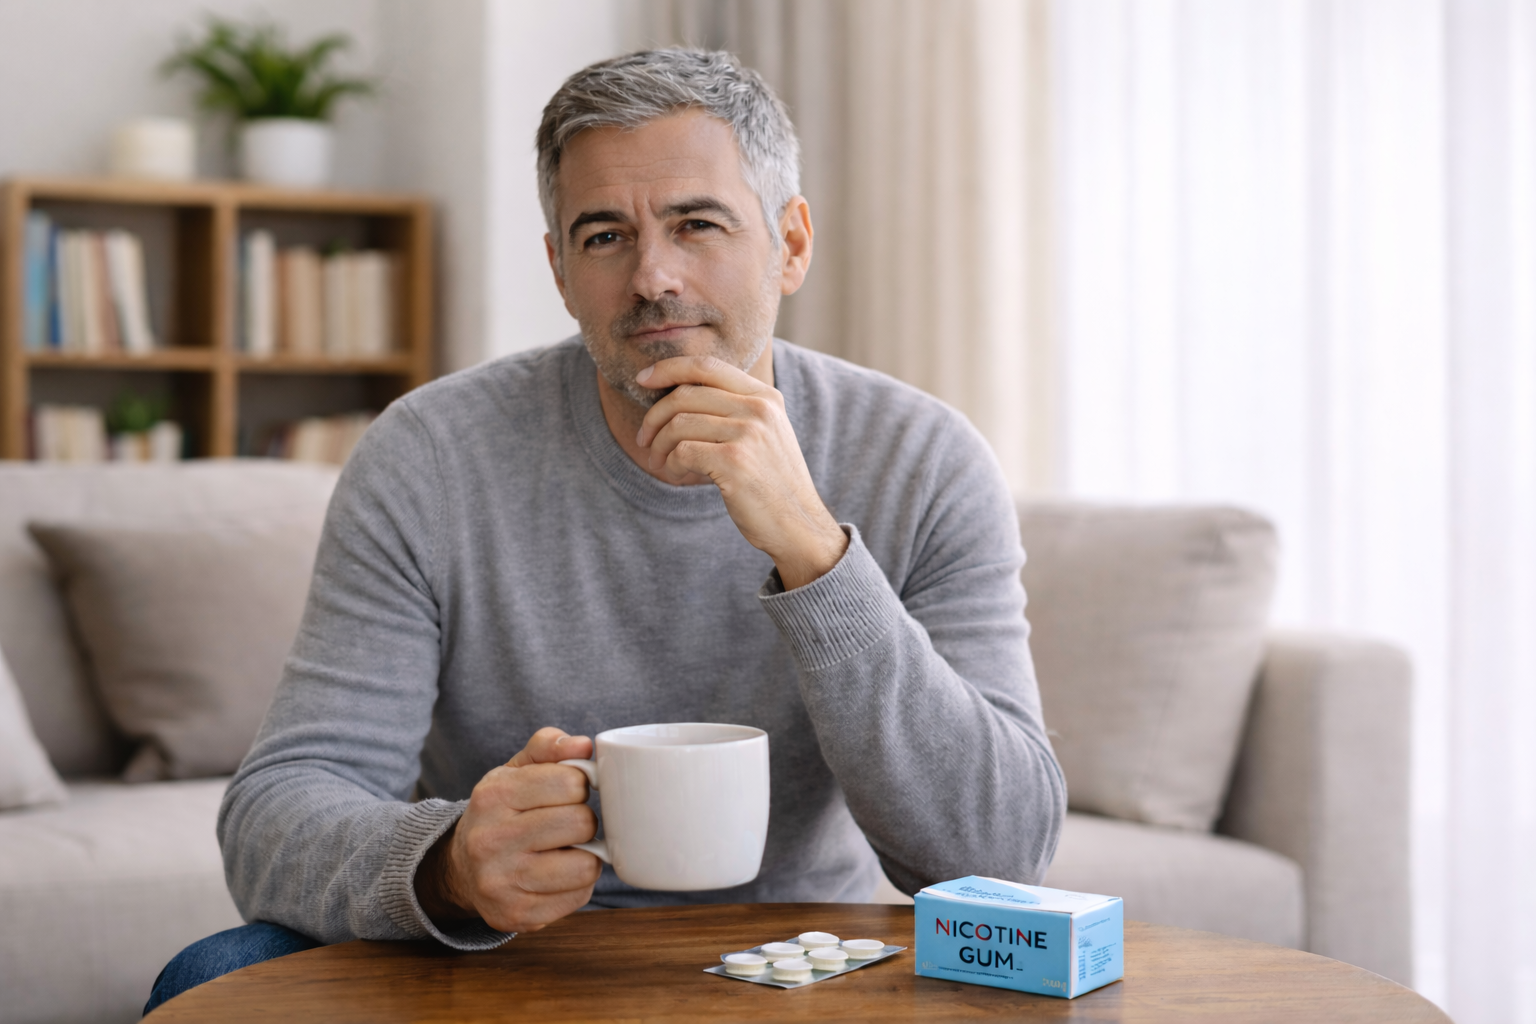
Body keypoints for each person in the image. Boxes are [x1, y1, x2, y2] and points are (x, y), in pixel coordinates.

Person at [145, 47, 1065, 1012]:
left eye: (697, 224)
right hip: (503, 961)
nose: (652, 277)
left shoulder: (922, 457)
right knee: (211, 977)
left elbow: (998, 854)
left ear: (790, 243)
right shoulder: (428, 455)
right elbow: (277, 812)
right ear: (560, 269)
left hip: (793, 969)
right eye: (603, 236)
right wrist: (451, 865)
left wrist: (813, 552)